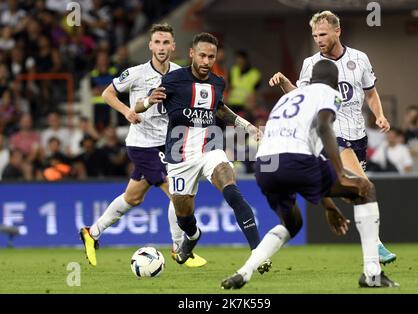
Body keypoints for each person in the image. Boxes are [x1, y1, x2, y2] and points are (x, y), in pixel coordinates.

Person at [221, 60, 399, 289]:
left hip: (265, 165)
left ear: (311, 79)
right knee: (365, 188)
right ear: (335, 83)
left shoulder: (287, 99)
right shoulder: (329, 94)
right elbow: (324, 128)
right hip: (294, 159)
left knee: (292, 223)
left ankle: (244, 272)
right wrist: (340, 173)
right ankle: (372, 273)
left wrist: (330, 208)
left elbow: (310, 168)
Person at [135, 32, 271, 273]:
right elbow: (139, 105)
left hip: (211, 149)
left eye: (211, 56)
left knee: (233, 192)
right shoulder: (174, 79)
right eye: (202, 56)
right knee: (185, 218)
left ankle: (258, 252)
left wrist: (247, 126)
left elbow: (219, 109)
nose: (206, 61)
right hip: (179, 157)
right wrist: (147, 102)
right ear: (191, 54)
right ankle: (193, 235)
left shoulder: (218, 82)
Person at [268, 10, 396, 265]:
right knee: (364, 184)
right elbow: (301, 97)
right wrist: (284, 82)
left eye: (323, 33)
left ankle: (330, 208)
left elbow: (370, 93)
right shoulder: (310, 63)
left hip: (357, 134)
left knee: (355, 193)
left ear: (338, 31)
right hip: (330, 132)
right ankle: (377, 247)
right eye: (315, 35)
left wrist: (379, 115)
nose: (318, 38)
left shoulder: (359, 59)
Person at [79, 23, 206, 268]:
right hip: (143, 145)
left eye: (166, 42)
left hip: (169, 144)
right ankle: (180, 249)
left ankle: (91, 233)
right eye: (157, 42)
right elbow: (107, 94)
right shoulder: (135, 73)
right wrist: (127, 111)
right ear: (150, 45)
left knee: (133, 197)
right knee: (178, 193)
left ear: (173, 46)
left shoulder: (181, 74)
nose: (161, 47)